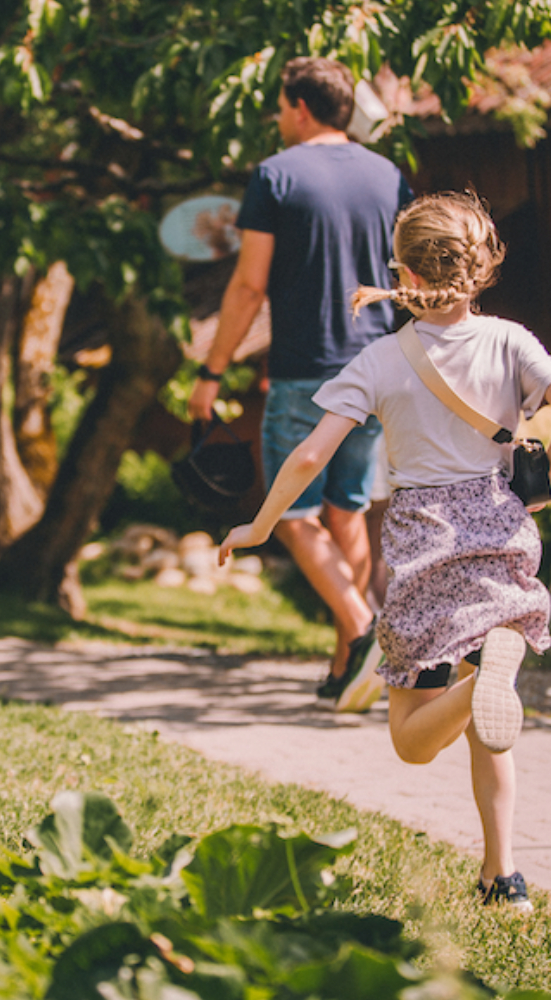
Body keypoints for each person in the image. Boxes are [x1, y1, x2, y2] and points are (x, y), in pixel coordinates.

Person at [220, 192, 551, 911]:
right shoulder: (512, 340)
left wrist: (261, 526)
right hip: (502, 529)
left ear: (404, 272)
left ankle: (476, 692)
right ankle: (502, 875)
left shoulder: (383, 359)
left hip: (427, 543)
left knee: (413, 743)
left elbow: (307, 457)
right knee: (491, 718)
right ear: (481, 267)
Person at [188, 56, 414, 712]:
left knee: (288, 513)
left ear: (302, 108)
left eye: (281, 106)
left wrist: (212, 370)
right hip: (377, 365)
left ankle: (364, 625)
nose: (278, 117)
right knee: (347, 508)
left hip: (304, 370)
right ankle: (350, 665)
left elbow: (249, 283)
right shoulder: (387, 174)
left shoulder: (275, 175)